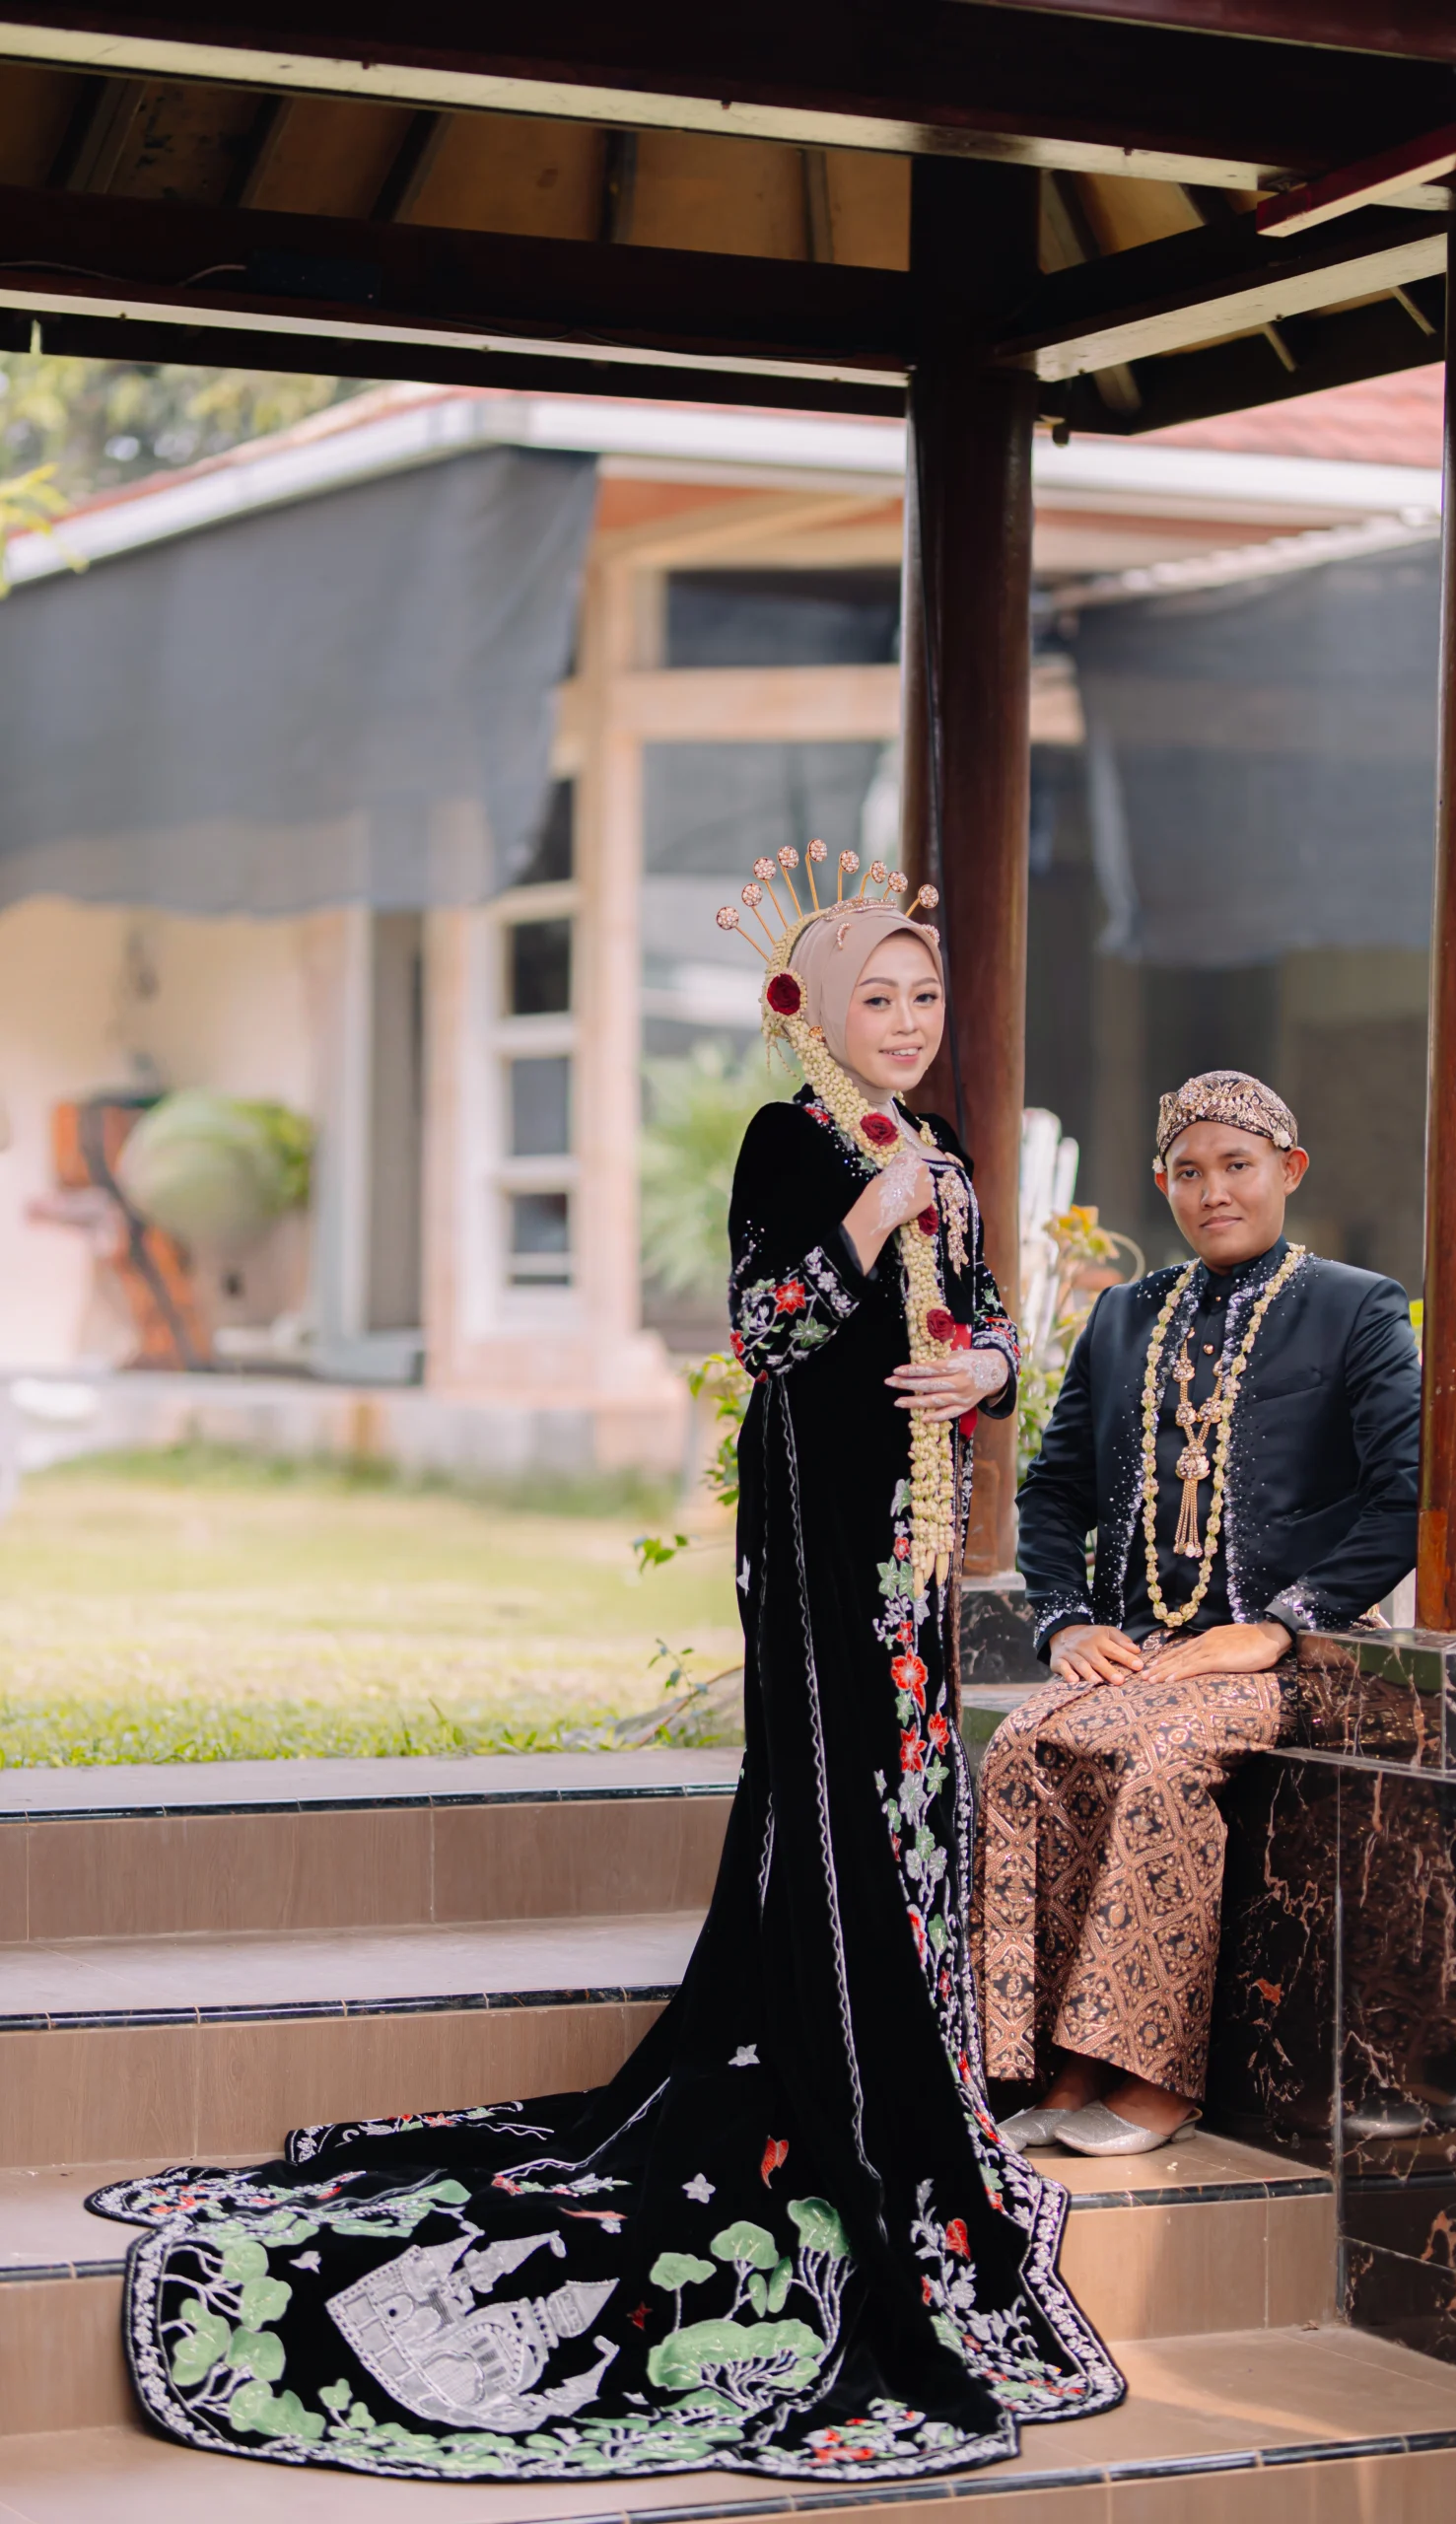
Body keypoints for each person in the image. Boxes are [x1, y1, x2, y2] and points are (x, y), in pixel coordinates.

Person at [88, 845, 1122, 2487]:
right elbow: (767, 1332)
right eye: (876, 996)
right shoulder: (794, 1143)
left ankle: (910, 2087)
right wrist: (867, 1222)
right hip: (817, 1529)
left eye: (924, 995)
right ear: (814, 1008)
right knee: (834, 1799)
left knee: (910, 1805)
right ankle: (841, 2088)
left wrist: (984, 1361)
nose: (908, 1021)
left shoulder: (944, 1149)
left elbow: (989, 1322)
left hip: (913, 1546)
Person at [972, 1069, 1420, 2159]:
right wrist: (1066, 1620)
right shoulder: (1122, 1316)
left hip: (1307, 1655)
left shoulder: (1356, 1307)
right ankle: (1055, 2062)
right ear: (1162, 1182)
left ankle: (1152, 2076)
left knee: (1160, 1757)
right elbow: (1054, 1492)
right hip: (1153, 1650)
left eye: (1238, 1165)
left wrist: (1281, 1624)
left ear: (1288, 1171)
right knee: (1024, 1744)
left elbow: (1405, 1494)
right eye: (1188, 1171)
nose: (1213, 1190)